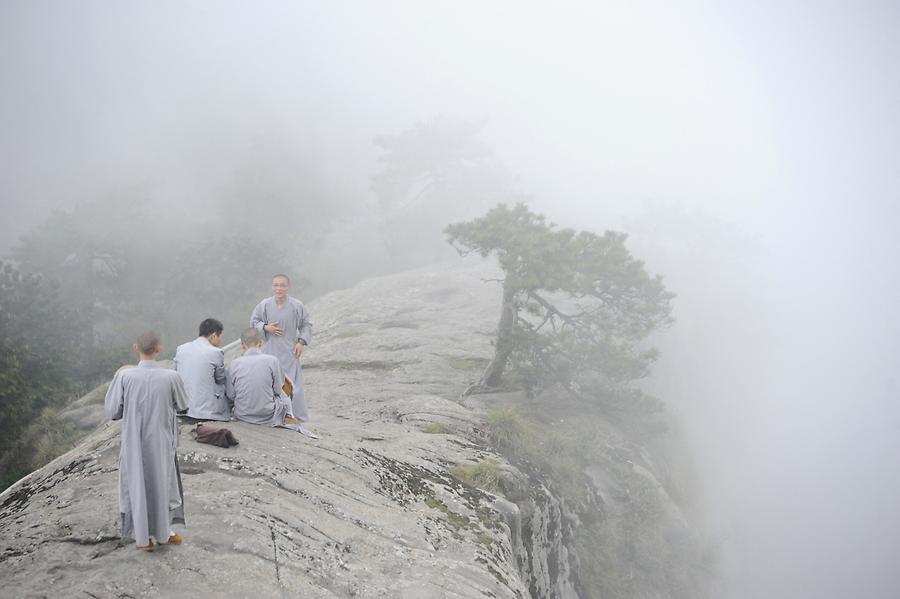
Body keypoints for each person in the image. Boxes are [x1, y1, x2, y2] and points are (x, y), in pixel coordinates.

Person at [104, 331, 189, 551]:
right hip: (161, 439)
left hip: (134, 441)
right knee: (162, 483)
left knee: (137, 485)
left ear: (135, 347)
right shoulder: (170, 376)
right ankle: (163, 532)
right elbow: (183, 406)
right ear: (159, 349)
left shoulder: (125, 377)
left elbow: (113, 411)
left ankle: (143, 537)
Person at [250, 274, 312, 420]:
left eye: (282, 285)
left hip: (290, 351)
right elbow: (253, 322)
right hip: (269, 350)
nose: (279, 288)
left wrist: (301, 342)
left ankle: (293, 415)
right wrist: (265, 327)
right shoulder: (264, 305)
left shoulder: (297, 306)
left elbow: (306, 324)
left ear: (288, 287)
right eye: (276, 285)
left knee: (292, 384)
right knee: (269, 383)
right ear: (272, 287)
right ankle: (270, 414)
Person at [226, 328, 301, 428]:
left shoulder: (234, 364)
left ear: (243, 346)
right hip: (267, 415)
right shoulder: (272, 361)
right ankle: (289, 415)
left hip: (242, 415)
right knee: (287, 385)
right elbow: (278, 390)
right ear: (260, 343)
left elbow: (231, 395)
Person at [174, 318, 229, 421]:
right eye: (220, 336)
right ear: (213, 335)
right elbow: (221, 379)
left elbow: (176, 373)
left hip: (182, 406)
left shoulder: (181, 348)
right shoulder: (215, 352)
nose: (221, 339)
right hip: (205, 411)